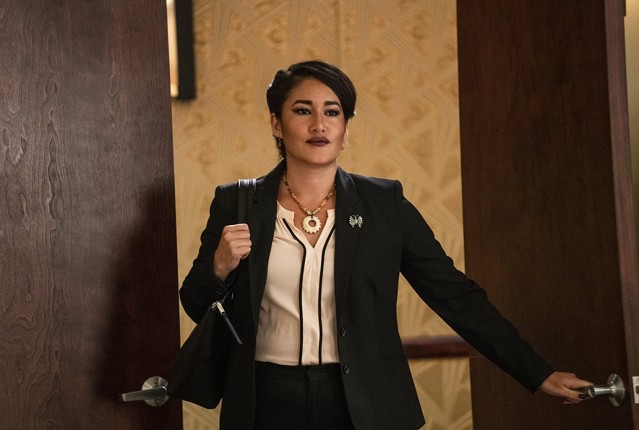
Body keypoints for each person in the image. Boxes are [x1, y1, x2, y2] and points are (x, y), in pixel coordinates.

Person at [179, 60, 591, 430]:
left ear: (345, 128)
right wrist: (219, 266)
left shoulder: (384, 204)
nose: (319, 125)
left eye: (332, 112)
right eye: (303, 111)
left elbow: (455, 295)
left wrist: (536, 372)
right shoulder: (237, 202)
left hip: (365, 402)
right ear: (276, 123)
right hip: (265, 401)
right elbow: (197, 304)